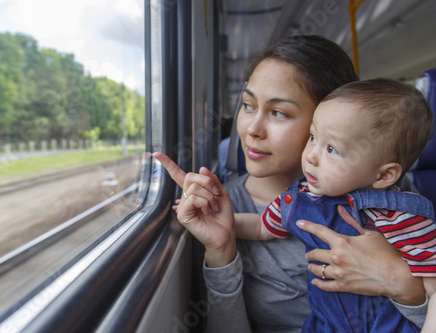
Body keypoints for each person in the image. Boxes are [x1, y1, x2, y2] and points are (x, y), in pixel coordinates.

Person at [153, 35, 427, 332]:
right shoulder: (221, 208)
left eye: (278, 113)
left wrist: (404, 286)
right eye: (247, 106)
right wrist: (222, 251)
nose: (252, 130)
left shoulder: (388, 195)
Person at [234, 78, 436, 332]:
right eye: (312, 137)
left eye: (331, 149)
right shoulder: (299, 199)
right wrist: (225, 222)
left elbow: (433, 287)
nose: (310, 156)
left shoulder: (402, 217)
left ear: (384, 176)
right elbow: (261, 227)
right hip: (325, 324)